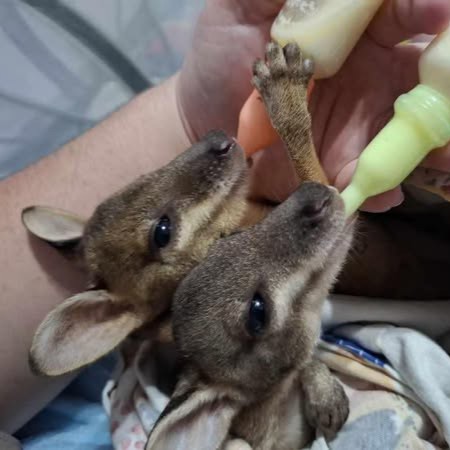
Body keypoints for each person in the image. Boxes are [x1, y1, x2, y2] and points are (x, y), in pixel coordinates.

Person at [1, 0, 449, 434]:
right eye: (164, 231)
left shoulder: (218, 262)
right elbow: (332, 218)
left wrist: (188, 113)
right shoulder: (210, 311)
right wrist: (292, 128)